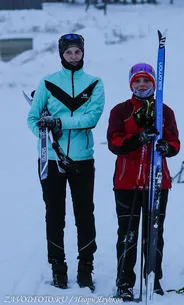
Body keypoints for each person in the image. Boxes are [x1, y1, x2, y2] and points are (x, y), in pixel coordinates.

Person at [27, 33, 105, 290]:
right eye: (68, 52)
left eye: (77, 52)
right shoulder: (47, 83)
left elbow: (91, 118)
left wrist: (59, 122)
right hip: (51, 160)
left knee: (85, 214)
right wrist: (42, 131)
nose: (73, 56)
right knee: (54, 215)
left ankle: (85, 268)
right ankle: (58, 267)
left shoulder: (95, 84)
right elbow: (33, 117)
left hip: (82, 159)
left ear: (83, 53)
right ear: (61, 54)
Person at [107, 62, 180, 301]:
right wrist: (137, 138)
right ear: (131, 83)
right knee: (127, 234)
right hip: (127, 182)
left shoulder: (165, 111)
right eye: (137, 81)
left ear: (153, 83)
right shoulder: (121, 110)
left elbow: (175, 143)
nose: (141, 85)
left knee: (154, 233)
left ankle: (153, 278)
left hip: (157, 182)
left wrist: (165, 147)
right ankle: (124, 282)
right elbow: (114, 143)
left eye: (146, 80)